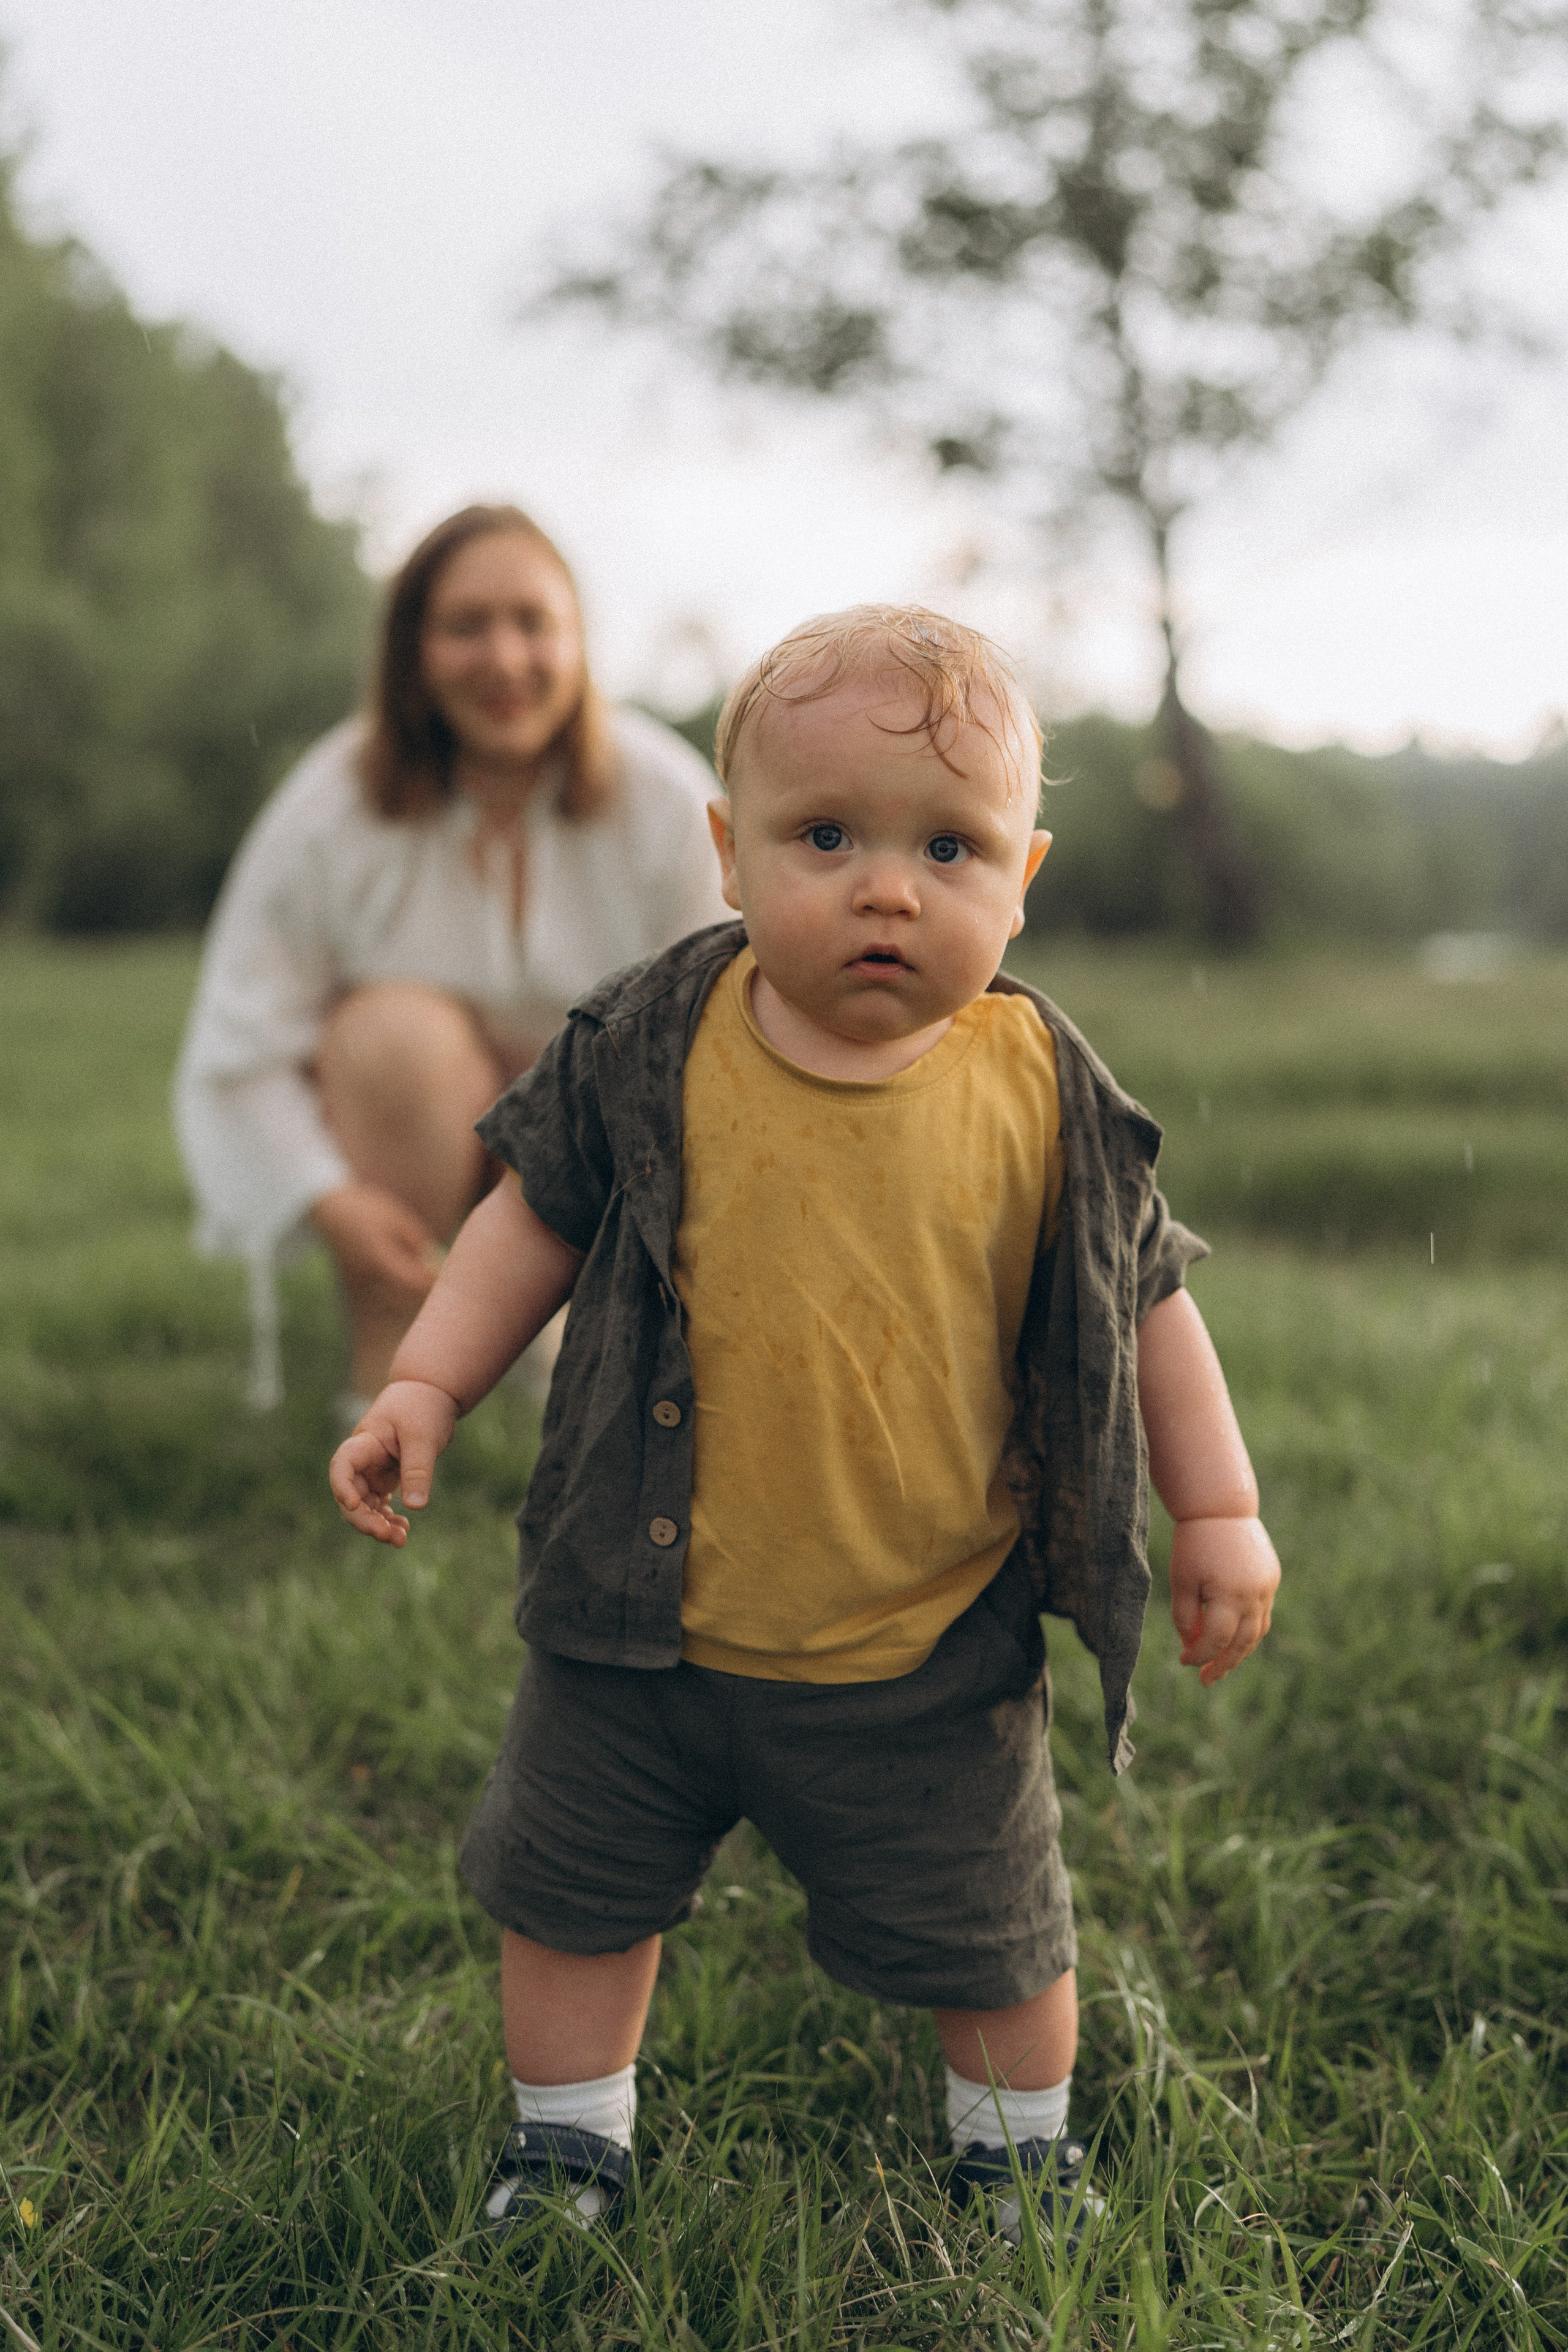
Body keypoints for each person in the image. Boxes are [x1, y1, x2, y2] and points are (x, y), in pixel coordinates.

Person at [328, 604, 1281, 2243]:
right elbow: (527, 1219)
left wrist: (1219, 1510)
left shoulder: (1038, 1086)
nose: (887, 887)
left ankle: (1018, 2155)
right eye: (824, 835)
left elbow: (1148, 1305)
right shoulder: (653, 1038)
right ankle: (566, 2145)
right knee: (570, 1899)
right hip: (639, 1639)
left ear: (1024, 875)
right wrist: (425, 1381)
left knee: (997, 1933)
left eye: (950, 847)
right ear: (728, 849)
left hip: (926, 1649)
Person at [175, 503, 729, 1411]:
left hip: (609, 1147)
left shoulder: (667, 802)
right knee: (393, 1036)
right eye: (467, 627)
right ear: (413, 652)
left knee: (617, 1059)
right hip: (407, 1129)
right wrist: (327, 1202)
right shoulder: (332, 806)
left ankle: (569, 1335)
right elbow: (245, 1043)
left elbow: (731, 1024)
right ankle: (392, 1356)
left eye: (532, 623)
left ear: (579, 642)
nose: (505, 660)